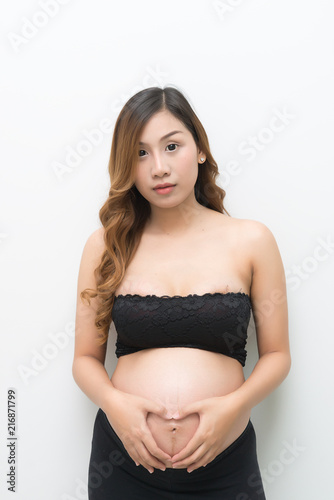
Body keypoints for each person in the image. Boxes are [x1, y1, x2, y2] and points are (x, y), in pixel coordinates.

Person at [72, 85, 291, 499]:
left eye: (172, 146)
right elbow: (84, 360)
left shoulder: (251, 241)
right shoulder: (105, 246)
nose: (158, 167)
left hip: (225, 462)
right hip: (123, 461)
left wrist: (234, 406)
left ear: (200, 149)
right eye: (140, 153)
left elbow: (278, 355)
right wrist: (116, 407)